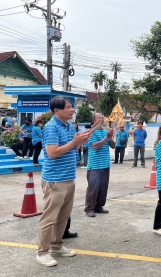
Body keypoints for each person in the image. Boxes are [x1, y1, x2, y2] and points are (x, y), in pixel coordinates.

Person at [36, 96, 91, 267]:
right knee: (49, 217)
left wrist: (79, 142)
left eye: (72, 107)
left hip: (68, 177)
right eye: (69, 107)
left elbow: (71, 149)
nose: (73, 110)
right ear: (57, 111)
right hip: (55, 180)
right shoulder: (51, 128)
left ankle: (56, 246)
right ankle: (42, 252)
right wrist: (74, 142)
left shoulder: (68, 126)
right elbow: (52, 153)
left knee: (63, 216)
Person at [84, 113, 115, 218]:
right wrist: (107, 137)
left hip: (105, 164)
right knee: (93, 188)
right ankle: (89, 208)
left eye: (102, 117)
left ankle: (99, 206)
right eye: (98, 118)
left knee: (103, 187)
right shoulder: (91, 132)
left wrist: (112, 137)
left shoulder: (105, 131)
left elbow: (113, 146)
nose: (101, 119)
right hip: (95, 165)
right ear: (94, 120)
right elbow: (95, 146)